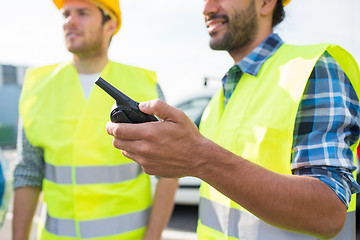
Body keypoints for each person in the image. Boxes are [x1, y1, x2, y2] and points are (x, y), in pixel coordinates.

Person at [106, 0, 360, 239]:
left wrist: (199, 158)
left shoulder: (313, 68)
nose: (207, 7)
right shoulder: (221, 97)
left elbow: (328, 214)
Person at [12, 0, 178, 239]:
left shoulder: (143, 84)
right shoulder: (37, 86)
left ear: (110, 24)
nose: (70, 21)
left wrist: (152, 236)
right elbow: (28, 170)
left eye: (82, 13)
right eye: (66, 13)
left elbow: (168, 170)